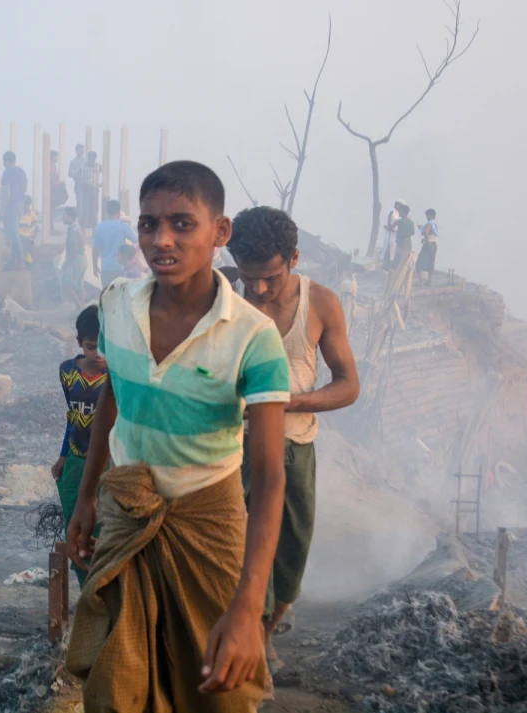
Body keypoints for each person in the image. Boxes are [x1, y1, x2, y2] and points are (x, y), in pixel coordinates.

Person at [66, 161, 291, 711]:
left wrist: (247, 607)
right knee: (116, 684)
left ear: (220, 231)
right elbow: (111, 399)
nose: (160, 241)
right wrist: (87, 496)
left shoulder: (253, 338)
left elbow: (267, 475)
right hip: (127, 511)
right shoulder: (116, 304)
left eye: (182, 224)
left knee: (218, 690)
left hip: (208, 523)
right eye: (147, 225)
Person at [227, 206, 360, 673]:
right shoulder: (222, 296)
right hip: (229, 447)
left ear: (295, 258)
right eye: (248, 278)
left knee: (290, 554)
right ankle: (251, 642)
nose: (259, 290)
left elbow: (348, 385)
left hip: (294, 446)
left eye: (270, 278)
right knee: (242, 546)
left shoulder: (320, 304)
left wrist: (285, 404)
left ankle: (266, 626)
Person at [52, 305, 108, 585]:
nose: (97, 355)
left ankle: (104, 589)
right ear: (79, 343)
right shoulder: (67, 373)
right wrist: (63, 456)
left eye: (103, 348)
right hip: (76, 459)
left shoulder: (116, 376)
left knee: (106, 527)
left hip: (108, 461)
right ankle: (87, 589)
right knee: (76, 526)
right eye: (90, 347)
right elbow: (73, 417)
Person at [89, 199, 137, 288]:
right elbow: (137, 240)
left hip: (106, 269)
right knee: (119, 296)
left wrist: (95, 266)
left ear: (107, 212)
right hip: (120, 268)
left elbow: (95, 250)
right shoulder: (123, 226)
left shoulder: (99, 227)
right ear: (118, 212)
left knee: (107, 297)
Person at [0, 151, 29, 270]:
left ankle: (20, 260)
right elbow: (25, 188)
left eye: (3, 161)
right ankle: (14, 259)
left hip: (12, 205)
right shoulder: (21, 171)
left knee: (13, 233)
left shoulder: (6, 173)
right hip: (21, 203)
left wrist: (3, 209)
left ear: (7, 161)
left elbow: (5, 193)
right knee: (13, 231)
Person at [61, 207, 88, 308]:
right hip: (82, 259)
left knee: (66, 284)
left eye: (64, 215)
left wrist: (68, 262)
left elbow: (75, 249)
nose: (62, 218)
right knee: (78, 286)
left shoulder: (73, 229)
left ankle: (80, 306)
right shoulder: (75, 227)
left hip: (77, 260)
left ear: (69, 217)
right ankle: (81, 307)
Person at [77, 151, 102, 230]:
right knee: (85, 209)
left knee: (94, 209)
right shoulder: (84, 166)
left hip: (94, 189)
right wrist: (81, 183)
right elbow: (78, 175)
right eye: (91, 157)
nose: (92, 159)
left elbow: (106, 172)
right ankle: (83, 229)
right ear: (88, 158)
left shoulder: (98, 166)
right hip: (86, 189)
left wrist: (101, 184)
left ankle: (95, 229)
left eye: (93, 158)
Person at [417, 208, 439, 284]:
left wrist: (425, 239)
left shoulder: (430, 223)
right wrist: (421, 229)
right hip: (434, 245)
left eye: (427, 216)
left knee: (419, 263)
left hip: (428, 245)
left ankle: (421, 283)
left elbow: (426, 232)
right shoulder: (435, 223)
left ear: (430, 215)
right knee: (431, 262)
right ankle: (430, 281)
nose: (426, 217)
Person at [381, 199, 405, 269]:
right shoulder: (392, 212)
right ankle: (384, 267)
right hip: (389, 235)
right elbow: (388, 226)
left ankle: (389, 267)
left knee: (392, 252)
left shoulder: (398, 213)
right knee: (386, 250)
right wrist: (394, 230)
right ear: (398, 205)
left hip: (394, 236)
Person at [392, 203, 416, 272]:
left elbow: (391, 228)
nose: (399, 212)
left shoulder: (398, 221)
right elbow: (413, 233)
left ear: (403, 212)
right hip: (408, 244)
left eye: (400, 211)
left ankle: (394, 276)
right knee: (405, 262)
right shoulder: (411, 222)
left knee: (396, 261)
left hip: (401, 244)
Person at [19, 196, 39, 266]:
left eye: (27, 204)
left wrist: (33, 237)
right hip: (19, 239)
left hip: (28, 240)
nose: (25, 206)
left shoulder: (32, 215)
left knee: (29, 259)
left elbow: (37, 228)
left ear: (29, 205)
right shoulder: (18, 214)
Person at [69, 143, 86, 214]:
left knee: (86, 202)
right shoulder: (73, 162)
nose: (82, 152)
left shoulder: (85, 161)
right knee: (80, 201)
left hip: (86, 184)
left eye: (83, 150)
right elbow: (70, 174)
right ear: (77, 151)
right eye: (80, 150)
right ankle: (80, 217)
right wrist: (76, 175)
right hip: (79, 184)